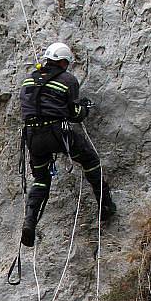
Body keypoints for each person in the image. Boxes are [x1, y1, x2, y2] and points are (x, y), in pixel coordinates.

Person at [19, 42, 116, 247]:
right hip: (56, 132)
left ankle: (29, 221)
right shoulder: (67, 80)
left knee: (41, 179)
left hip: (32, 137)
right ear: (64, 62)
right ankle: (105, 206)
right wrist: (85, 108)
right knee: (90, 160)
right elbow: (74, 115)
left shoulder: (28, 80)